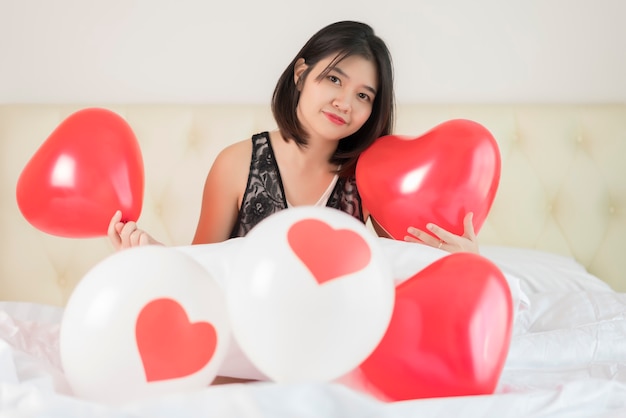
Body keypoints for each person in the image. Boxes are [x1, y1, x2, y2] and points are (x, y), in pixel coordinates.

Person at [108, 20, 479, 255]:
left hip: (334, 341)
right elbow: (203, 269)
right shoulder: (237, 164)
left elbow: (403, 272)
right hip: (247, 340)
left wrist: (464, 259)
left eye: (363, 96)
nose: (344, 103)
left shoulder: (371, 178)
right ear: (301, 74)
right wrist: (152, 255)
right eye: (334, 79)